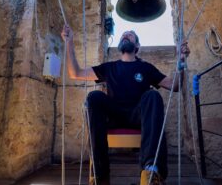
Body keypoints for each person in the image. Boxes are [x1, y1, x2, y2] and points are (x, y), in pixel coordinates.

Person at [61, 26, 190, 185]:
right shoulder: (109, 67)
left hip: (138, 116)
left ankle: (151, 172)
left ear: (137, 47)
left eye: (130, 36)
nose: (125, 36)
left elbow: (175, 85)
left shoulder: (145, 68)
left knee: (153, 95)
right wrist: (69, 42)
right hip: (114, 115)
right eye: (123, 35)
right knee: (94, 97)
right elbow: (76, 73)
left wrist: (181, 61)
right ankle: (100, 175)